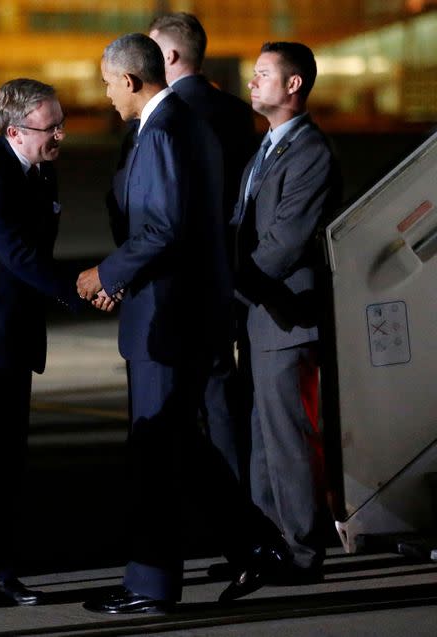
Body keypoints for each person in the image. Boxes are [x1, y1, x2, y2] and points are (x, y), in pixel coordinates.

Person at [76, 34, 287, 614]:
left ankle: (152, 584)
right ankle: (255, 543)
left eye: (106, 81)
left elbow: (163, 227)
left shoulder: (165, 129)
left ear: (129, 80)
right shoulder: (178, 123)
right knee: (176, 445)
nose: (104, 93)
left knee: (156, 453)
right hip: (177, 313)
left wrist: (106, 273)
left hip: (169, 320)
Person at [0, 78, 81, 607]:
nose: (61, 136)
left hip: (14, 338)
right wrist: (78, 290)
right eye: (52, 128)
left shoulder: (41, 169)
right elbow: (19, 254)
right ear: (15, 131)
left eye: (61, 124)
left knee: (5, 465)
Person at [232, 41, 341, 584]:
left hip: (286, 318)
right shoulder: (268, 148)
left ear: (293, 85)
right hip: (262, 317)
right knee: (263, 441)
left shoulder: (309, 152)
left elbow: (285, 242)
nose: (252, 83)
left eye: (263, 74)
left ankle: (301, 552)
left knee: (290, 440)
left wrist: (229, 284)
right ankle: (271, 543)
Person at [149, 13, 257, 482]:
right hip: (230, 265)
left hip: (177, 276)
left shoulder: (165, 113)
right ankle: (243, 509)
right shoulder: (235, 112)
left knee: (176, 398)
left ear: (169, 56)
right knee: (224, 394)